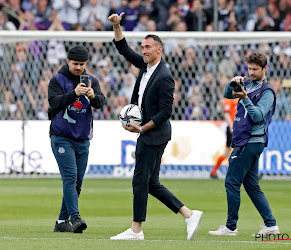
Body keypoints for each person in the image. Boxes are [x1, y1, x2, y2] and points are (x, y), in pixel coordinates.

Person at [108, 12, 203, 241]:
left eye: (148, 47)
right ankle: (189, 214)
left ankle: (136, 230)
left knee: (140, 181)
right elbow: (124, 49)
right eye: (143, 46)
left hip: (154, 134)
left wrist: (143, 128)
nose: (144, 50)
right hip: (150, 134)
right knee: (151, 183)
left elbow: (165, 112)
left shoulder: (165, 77)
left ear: (159, 49)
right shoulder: (145, 66)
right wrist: (117, 26)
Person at [209, 51, 280, 236]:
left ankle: (231, 227)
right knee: (252, 185)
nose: (251, 72)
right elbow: (227, 94)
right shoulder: (247, 83)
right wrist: (232, 82)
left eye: (255, 69)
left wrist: (245, 98)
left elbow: (257, 116)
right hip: (244, 139)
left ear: (265, 68)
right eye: (249, 68)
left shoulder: (267, 92)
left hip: (252, 140)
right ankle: (271, 225)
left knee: (232, 181)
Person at [48, 45, 105, 233]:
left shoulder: (92, 81)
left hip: (82, 138)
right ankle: (75, 218)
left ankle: (61, 221)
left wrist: (93, 95)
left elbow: (100, 102)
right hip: (61, 136)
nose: (78, 68)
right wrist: (75, 94)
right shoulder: (57, 80)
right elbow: (54, 103)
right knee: (70, 177)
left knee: (77, 182)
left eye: (81, 64)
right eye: (75, 64)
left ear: (86, 63)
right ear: (67, 62)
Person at [210, 97, 238, 179]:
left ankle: (214, 171)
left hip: (241, 128)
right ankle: (214, 171)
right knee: (229, 152)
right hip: (233, 128)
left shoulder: (243, 97)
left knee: (239, 151)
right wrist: (231, 126)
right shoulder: (230, 99)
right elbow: (226, 113)